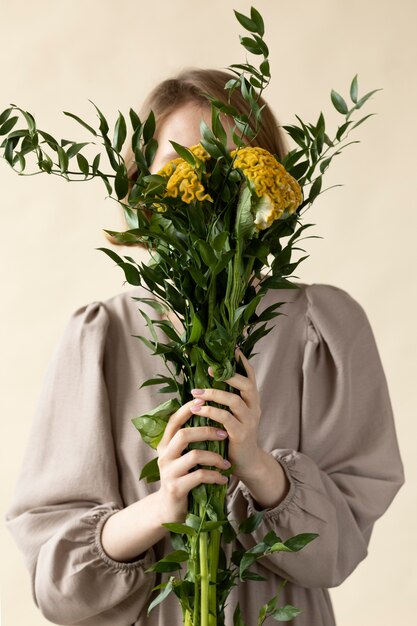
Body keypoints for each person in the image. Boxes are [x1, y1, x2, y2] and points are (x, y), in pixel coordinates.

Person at [5, 69, 405, 626]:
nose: (205, 194)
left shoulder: (324, 329)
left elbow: (337, 554)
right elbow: (58, 588)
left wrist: (260, 469)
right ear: (140, 190)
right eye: (179, 172)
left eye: (230, 172)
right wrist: (165, 504)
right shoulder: (100, 338)